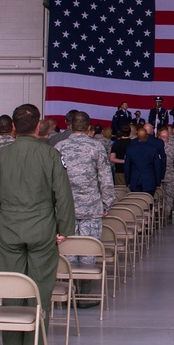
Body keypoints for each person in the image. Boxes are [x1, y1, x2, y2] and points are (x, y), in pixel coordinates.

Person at [0, 103, 75, 345]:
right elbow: (63, 194)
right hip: (43, 230)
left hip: (9, 230)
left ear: (12, 127)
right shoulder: (50, 155)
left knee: (13, 288)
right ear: (38, 126)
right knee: (40, 291)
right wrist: (65, 228)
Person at [54, 111, 115, 287]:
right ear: (89, 127)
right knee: (89, 250)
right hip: (91, 207)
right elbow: (105, 178)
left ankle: (70, 289)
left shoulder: (59, 147)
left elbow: (52, 179)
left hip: (65, 208)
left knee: (68, 251)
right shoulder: (96, 147)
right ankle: (85, 290)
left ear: (70, 126)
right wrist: (106, 203)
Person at [125, 126, 163, 193]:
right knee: (148, 202)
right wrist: (158, 183)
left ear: (137, 136)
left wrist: (127, 182)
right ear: (147, 136)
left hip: (135, 181)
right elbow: (157, 167)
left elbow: (127, 167)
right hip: (149, 181)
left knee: (136, 202)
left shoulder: (130, 149)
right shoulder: (153, 149)